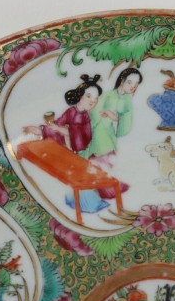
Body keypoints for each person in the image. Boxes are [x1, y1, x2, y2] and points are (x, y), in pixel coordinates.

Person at [23, 74, 110, 213]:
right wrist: (41, 130)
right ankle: (77, 202)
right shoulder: (71, 111)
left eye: (95, 99)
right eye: (88, 96)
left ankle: (89, 204)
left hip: (81, 151)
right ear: (80, 95)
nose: (92, 101)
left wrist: (62, 130)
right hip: (71, 150)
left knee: (82, 177)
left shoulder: (85, 116)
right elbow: (58, 124)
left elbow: (83, 136)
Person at [81, 68, 143, 165]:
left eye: (136, 83)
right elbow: (94, 113)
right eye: (130, 82)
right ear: (122, 81)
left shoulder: (127, 100)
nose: (133, 86)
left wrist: (113, 116)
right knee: (104, 158)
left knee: (107, 160)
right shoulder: (108, 95)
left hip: (110, 132)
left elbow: (125, 123)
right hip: (98, 130)